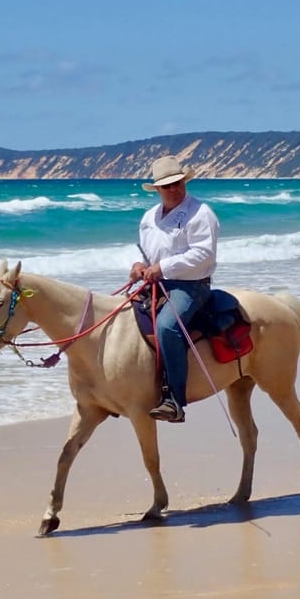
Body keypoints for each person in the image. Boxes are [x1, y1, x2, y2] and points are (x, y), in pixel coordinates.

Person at [129, 155, 220, 423]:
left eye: (177, 183)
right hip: (156, 282)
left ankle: (174, 400)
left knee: (167, 326)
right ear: (157, 189)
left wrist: (163, 267)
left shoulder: (201, 213)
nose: (174, 189)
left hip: (191, 286)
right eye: (167, 186)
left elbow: (203, 254)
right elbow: (144, 251)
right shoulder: (149, 217)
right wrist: (138, 265)